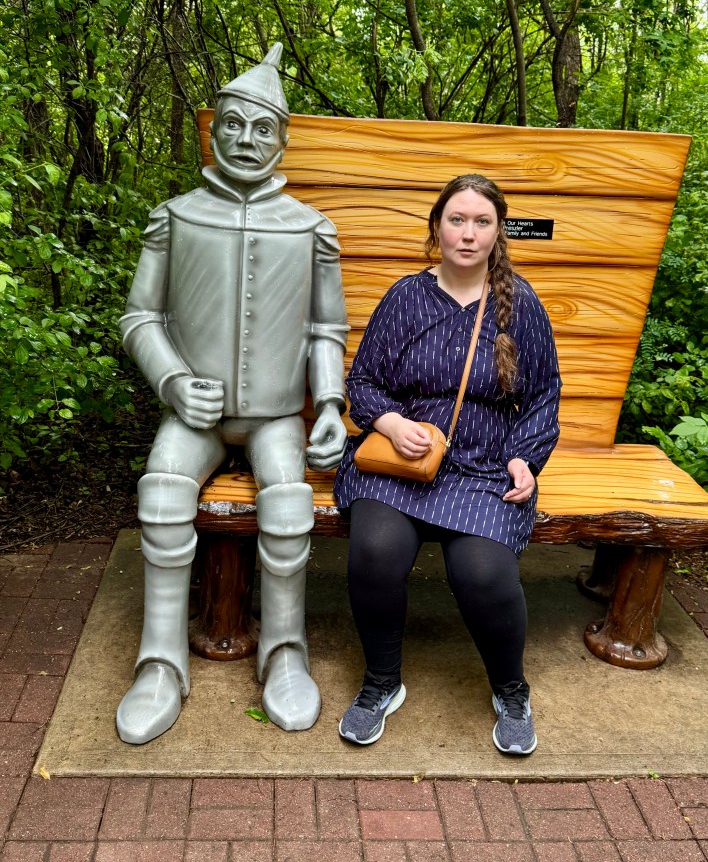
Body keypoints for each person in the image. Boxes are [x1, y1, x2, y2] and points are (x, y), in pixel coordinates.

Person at [116, 44, 349, 744]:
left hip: (278, 413)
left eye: (263, 129)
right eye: (233, 126)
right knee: (161, 491)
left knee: (288, 503)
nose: (247, 141)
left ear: (284, 139)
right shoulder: (177, 216)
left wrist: (331, 404)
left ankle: (284, 653)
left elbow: (325, 326)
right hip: (196, 416)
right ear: (212, 129)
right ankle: (160, 662)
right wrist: (173, 380)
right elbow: (140, 316)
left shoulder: (311, 228)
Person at [333, 173, 560, 754]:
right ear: (437, 227)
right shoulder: (406, 296)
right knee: (375, 552)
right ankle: (381, 682)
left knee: (482, 574)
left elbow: (542, 398)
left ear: (497, 232)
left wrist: (525, 459)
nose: (468, 233)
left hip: (484, 466)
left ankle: (511, 690)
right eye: (457, 220)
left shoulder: (521, 304)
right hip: (402, 465)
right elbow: (363, 380)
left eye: (482, 222)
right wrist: (388, 423)